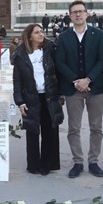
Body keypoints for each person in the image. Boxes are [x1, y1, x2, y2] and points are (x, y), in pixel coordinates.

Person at [55, 0, 103, 178]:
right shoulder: (63, 37)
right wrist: (76, 81)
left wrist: (88, 79)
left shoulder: (98, 34)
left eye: (81, 11)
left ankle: (93, 161)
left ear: (87, 14)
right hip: (73, 89)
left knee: (96, 127)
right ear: (69, 16)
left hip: (95, 87)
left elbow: (102, 59)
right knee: (74, 127)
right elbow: (60, 62)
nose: (78, 14)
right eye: (74, 12)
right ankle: (78, 161)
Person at [12, 23, 64, 175]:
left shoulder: (50, 50)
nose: (41, 34)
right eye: (37, 32)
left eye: (41, 32)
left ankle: (48, 164)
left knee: (50, 130)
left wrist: (60, 93)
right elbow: (17, 81)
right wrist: (20, 102)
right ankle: (33, 165)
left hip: (49, 95)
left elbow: (58, 72)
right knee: (32, 131)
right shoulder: (21, 54)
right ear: (29, 36)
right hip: (31, 97)